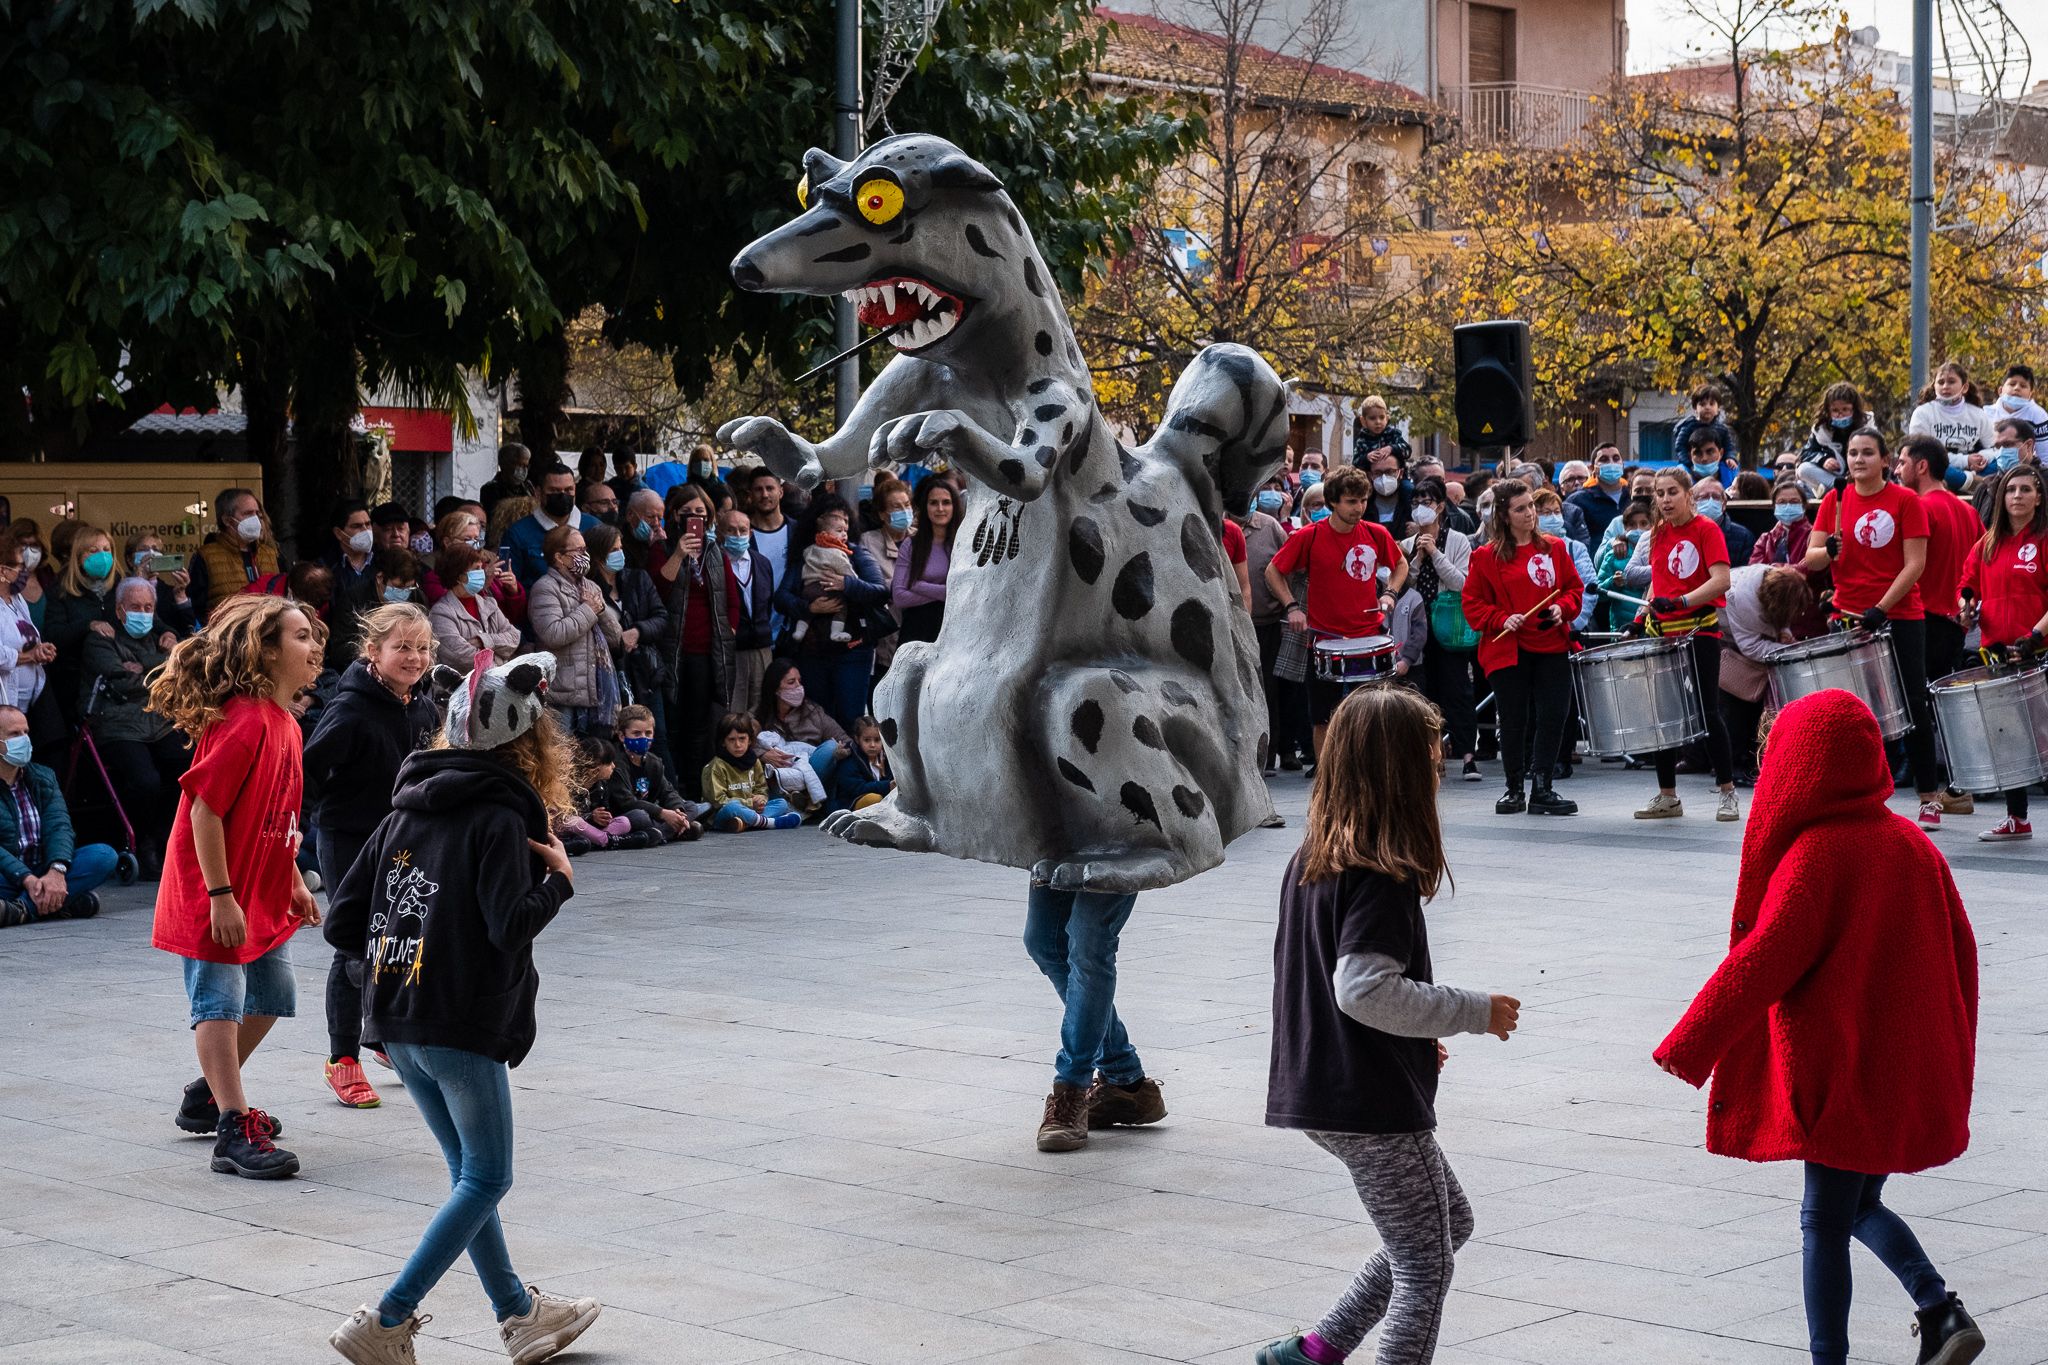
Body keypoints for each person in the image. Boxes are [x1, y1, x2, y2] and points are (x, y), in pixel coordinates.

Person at [1653, 689, 1982, 1365]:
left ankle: (1833, 1355)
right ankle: (1941, 1310)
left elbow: (1761, 961)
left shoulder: (1815, 856)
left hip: (1843, 1070)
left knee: (1824, 1217)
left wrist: (1692, 1044)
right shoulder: (1913, 845)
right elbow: (1963, 956)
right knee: (1858, 1202)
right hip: (1900, 1069)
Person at [323, 650, 603, 1365]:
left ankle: (519, 1312)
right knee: (487, 1175)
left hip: (395, 1019)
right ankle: (386, 1317)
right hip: (459, 1019)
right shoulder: (500, 817)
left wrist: (404, 950)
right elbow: (508, 923)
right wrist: (560, 882)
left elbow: (340, 925)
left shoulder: (401, 813)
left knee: (467, 1174)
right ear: (531, 742)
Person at [1256, 685, 1519, 1365]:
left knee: (1445, 1225)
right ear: (1398, 771)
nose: (1438, 770)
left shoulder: (1315, 856)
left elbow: (1325, 983)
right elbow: (1364, 989)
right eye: (1430, 760)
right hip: (1366, 1100)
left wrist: (1415, 1037)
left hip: (1325, 1088)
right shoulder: (1381, 870)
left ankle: (1313, 1350)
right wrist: (1471, 1011)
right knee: (1425, 1267)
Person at [149, 595, 325, 1178]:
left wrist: (295, 880)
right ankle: (232, 1125)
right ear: (266, 651)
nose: (315, 645)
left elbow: (282, 815)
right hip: (215, 889)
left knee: (274, 993)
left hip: (259, 887)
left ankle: (207, 1093)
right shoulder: (244, 718)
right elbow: (205, 811)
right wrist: (220, 897)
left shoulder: (288, 724)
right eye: (301, 636)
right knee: (219, 1003)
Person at [302, 602, 440, 1111]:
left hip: (404, 838)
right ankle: (343, 1060)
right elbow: (307, 773)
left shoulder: (424, 704)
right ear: (373, 651)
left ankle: (383, 1037)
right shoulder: (350, 709)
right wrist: (293, 834)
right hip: (349, 837)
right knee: (354, 946)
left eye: (422, 647)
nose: (413, 657)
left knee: (402, 937)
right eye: (401, 647)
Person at [1803, 429, 1947, 828]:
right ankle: (1862, 795)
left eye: (1868, 453)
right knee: (1855, 710)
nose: (1858, 460)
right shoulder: (1834, 500)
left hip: (1898, 616)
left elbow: (1914, 564)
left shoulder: (1906, 501)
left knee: (1912, 702)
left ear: (1885, 460)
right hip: (1848, 618)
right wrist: (1827, 549)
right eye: (1852, 453)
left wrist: (1882, 607)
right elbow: (1811, 560)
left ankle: (1928, 796)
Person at [1264, 466, 1407, 760]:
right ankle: (1328, 781)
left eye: (1363, 500)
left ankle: (1371, 777)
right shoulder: (1310, 536)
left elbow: (1401, 564)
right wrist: (1292, 607)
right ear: (1333, 502)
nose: (1359, 508)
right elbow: (1274, 571)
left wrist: (1390, 593)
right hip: (1325, 640)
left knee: (1374, 717)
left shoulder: (1375, 533)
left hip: (1369, 637)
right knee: (1323, 719)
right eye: (1351, 502)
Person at [1623, 467, 1740, 821]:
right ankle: (1667, 795)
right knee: (1664, 716)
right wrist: (1643, 616)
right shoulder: (1657, 534)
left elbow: (1721, 581)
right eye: (1659, 493)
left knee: (1707, 711)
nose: (1665, 499)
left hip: (1699, 630)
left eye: (1672, 492)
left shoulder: (1707, 530)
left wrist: (1683, 602)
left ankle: (1727, 791)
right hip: (1664, 633)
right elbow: (1658, 583)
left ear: (1689, 494)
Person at [1462, 481, 1581, 817]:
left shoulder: (1555, 548)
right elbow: (1472, 604)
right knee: (1514, 719)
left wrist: (1563, 608)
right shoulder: (1484, 557)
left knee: (1553, 715)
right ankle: (1513, 788)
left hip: (1552, 644)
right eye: (1520, 508)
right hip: (1509, 649)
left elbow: (1573, 588)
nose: (1529, 513)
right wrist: (1501, 618)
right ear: (1504, 515)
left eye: (1531, 506)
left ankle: (1543, 786)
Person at [1961, 464, 2048, 841]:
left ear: (2039, 497)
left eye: (2026, 490)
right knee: (2009, 738)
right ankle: (2017, 819)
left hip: (2037, 650)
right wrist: (1964, 604)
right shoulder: (1987, 543)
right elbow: (1967, 585)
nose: (2017, 496)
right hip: (1997, 652)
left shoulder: (2045, 539)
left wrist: (2035, 637)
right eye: (2011, 490)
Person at [660, 493, 767, 797]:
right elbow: (662, 587)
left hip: (711, 652)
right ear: (675, 514)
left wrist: (729, 629)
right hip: (677, 651)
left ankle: (700, 790)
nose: (694, 516)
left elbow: (731, 599)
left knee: (704, 724)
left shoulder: (715, 551)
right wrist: (679, 554)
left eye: (700, 511)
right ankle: (681, 787)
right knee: (678, 722)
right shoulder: (663, 547)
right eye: (687, 511)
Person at [78, 577, 185, 877]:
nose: (142, 612)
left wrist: (148, 664)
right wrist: (163, 664)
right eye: (135, 607)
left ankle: (168, 836)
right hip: (116, 721)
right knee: (145, 779)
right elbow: (119, 679)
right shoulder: (100, 639)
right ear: (120, 610)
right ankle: (144, 838)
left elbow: (177, 674)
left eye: (148, 607)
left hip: (158, 719)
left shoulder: (162, 636)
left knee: (186, 767)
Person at [776, 495, 891, 732]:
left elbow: (880, 592)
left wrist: (846, 584)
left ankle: (854, 766)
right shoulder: (805, 555)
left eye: (847, 522)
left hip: (853, 650)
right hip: (813, 652)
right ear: (819, 524)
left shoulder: (856, 554)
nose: (844, 529)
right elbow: (781, 598)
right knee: (819, 717)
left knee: (851, 718)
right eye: (838, 522)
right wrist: (809, 608)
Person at [0, 703, 115, 926]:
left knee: (104, 856)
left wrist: (57, 871)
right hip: (9, 875)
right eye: (14, 734)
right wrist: (26, 878)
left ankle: (22, 909)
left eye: (26, 732)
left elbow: (59, 826)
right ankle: (64, 902)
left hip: (43, 868)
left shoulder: (43, 776)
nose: (23, 739)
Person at [1899, 433, 1987, 700]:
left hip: (1923, 622)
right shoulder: (1968, 511)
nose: (1897, 470)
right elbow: (1985, 561)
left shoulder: (1918, 508)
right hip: (1956, 626)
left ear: (1922, 466)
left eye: (1902, 463)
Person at [527, 524, 623, 736]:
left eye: (585, 549)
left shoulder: (589, 586)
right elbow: (553, 633)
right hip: (563, 694)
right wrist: (588, 610)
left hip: (593, 691)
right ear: (559, 557)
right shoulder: (545, 588)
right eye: (578, 551)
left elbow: (616, 638)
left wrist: (599, 610)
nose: (585, 555)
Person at [1719, 565, 1813, 779]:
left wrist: (1784, 632)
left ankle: (1747, 761)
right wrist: (1790, 651)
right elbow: (1751, 646)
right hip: (1726, 639)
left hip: (1740, 636)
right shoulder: (1742, 597)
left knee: (1751, 705)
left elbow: (1779, 613)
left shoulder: (1774, 579)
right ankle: (1733, 766)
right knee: (1736, 705)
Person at [1242, 477, 1309, 773]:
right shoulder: (1220, 527)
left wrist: (1291, 605)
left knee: (1271, 689)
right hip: (1233, 624)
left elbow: (1287, 568)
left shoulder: (1270, 527)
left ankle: (1271, 754)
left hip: (1269, 622)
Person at [585, 522, 668, 726]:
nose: (619, 554)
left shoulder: (638, 578)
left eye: (620, 548)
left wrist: (638, 632)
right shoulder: (588, 589)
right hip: (611, 673)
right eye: (613, 550)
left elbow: (661, 617)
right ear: (597, 555)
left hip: (646, 671)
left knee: (657, 736)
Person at [44, 523, 122, 729]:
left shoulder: (121, 585)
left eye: (106, 550)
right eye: (93, 550)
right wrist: (88, 625)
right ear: (78, 556)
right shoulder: (61, 589)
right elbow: (53, 635)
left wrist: (167, 632)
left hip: (116, 675)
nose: (102, 556)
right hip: (75, 682)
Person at [612, 704, 702, 840]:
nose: (643, 738)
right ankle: (673, 831)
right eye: (636, 733)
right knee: (640, 816)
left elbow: (668, 791)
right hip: (626, 815)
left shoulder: (654, 762)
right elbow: (627, 803)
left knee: (690, 806)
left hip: (653, 814)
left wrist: (678, 811)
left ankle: (663, 831)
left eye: (648, 733)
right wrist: (662, 813)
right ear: (622, 736)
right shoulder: (616, 763)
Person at [427, 541, 522, 670]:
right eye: (476, 569)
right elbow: (460, 656)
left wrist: (482, 640)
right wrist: (498, 662)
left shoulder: (489, 604)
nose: (482, 573)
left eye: (481, 568)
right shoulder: (441, 613)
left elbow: (514, 637)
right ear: (459, 576)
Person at [189, 489, 280, 621]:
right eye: (247, 513)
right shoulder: (206, 556)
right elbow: (197, 607)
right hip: (228, 635)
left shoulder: (269, 554)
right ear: (227, 520)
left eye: (257, 513)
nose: (255, 519)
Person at [703, 711, 803, 831]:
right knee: (732, 807)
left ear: (750, 740)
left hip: (752, 810)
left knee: (781, 803)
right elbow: (718, 801)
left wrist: (761, 798)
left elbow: (762, 788)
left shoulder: (754, 761)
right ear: (723, 742)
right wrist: (750, 803)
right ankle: (769, 822)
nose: (738, 744)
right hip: (724, 813)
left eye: (742, 738)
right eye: (731, 740)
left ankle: (745, 824)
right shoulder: (716, 766)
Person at [505, 465, 599, 588]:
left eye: (568, 490)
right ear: (538, 493)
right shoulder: (517, 533)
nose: (562, 495)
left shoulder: (594, 526)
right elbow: (510, 585)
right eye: (554, 491)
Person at [891, 476, 958, 645]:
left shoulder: (964, 544)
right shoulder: (911, 544)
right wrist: (946, 592)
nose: (940, 508)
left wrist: (918, 585)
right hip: (916, 633)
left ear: (954, 506)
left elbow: (964, 593)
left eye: (946, 502)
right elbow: (899, 597)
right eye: (933, 502)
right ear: (925, 507)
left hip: (954, 633)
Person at [859, 476, 913, 682]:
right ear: (882, 514)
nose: (903, 511)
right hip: (885, 637)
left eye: (906, 505)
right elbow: (872, 586)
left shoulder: (922, 538)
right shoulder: (868, 541)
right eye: (896, 507)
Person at [744, 465, 797, 640]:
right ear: (750, 494)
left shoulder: (797, 532)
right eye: (759, 489)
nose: (765, 494)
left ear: (780, 492)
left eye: (770, 488)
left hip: (791, 632)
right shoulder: (740, 535)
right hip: (756, 633)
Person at [1907, 360, 1997, 460]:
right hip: (1938, 467)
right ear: (1934, 386)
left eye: (1951, 382)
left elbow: (1993, 448)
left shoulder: (1979, 414)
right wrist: (1965, 461)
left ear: (1965, 387)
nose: (1945, 386)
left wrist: (1979, 458)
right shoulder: (1922, 413)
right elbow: (1921, 452)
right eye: (1941, 382)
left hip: (1975, 466)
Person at [825, 715, 894, 814]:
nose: (872, 745)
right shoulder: (849, 759)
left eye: (877, 740)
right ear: (857, 739)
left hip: (881, 801)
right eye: (867, 740)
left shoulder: (886, 758)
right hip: (848, 804)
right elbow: (857, 789)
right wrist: (887, 785)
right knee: (874, 799)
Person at [1671, 383, 1739, 479]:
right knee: (1681, 472)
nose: (1707, 407)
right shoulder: (1688, 427)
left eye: (1712, 404)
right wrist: (1689, 463)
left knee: (1730, 469)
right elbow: (1680, 447)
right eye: (1702, 404)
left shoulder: (1722, 429)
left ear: (1718, 408)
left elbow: (1729, 447)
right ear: (1695, 408)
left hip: (1715, 467)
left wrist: (1730, 457)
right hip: (1692, 466)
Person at [1802, 383, 1876, 470]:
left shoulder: (1867, 427)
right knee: (1804, 469)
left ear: (1854, 409)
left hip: (1861, 471)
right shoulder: (1821, 430)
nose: (1840, 415)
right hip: (1834, 473)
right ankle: (1838, 483)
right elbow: (1807, 453)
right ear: (1828, 411)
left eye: (1845, 409)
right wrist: (1823, 460)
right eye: (1835, 410)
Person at [1975, 418, 2036, 523]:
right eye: (1998, 447)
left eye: (2008, 445)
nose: (2002, 451)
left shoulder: (2044, 481)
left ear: (2028, 445)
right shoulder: (1985, 488)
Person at [1567, 442, 1631, 540]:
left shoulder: (1633, 496)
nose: (1611, 463)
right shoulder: (1578, 501)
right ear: (1592, 468)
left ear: (1622, 465)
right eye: (1604, 459)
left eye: (1616, 458)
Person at [1690, 477, 1753, 565]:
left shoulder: (1743, 536)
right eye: (1704, 497)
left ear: (1724, 504)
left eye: (1716, 497)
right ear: (1693, 502)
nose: (1710, 501)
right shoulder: (1683, 532)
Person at [321, 500, 377, 599]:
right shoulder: (325, 568)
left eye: (368, 524)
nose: (365, 530)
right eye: (357, 526)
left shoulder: (383, 562)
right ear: (338, 533)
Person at [1361, 442, 1412, 535]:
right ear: (1370, 475)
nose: (1384, 478)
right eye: (1378, 473)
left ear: (1400, 473)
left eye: (1390, 472)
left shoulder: (1412, 503)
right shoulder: (1362, 506)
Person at [1351, 394, 1409, 467]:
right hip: (1372, 476)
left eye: (1382, 417)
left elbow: (1407, 451)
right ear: (1364, 421)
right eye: (1372, 418)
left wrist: (1392, 448)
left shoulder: (1393, 434)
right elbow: (1355, 463)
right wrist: (1366, 457)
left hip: (1396, 476)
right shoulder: (1362, 441)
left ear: (1387, 419)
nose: (1378, 422)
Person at [477, 441, 533, 516]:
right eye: (519, 465)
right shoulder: (491, 489)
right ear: (504, 464)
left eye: (526, 466)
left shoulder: (527, 487)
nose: (523, 470)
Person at [620, 488, 667, 574]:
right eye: (650, 517)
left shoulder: (662, 541)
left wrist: (659, 547)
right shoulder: (617, 541)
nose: (656, 523)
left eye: (660, 519)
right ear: (630, 515)